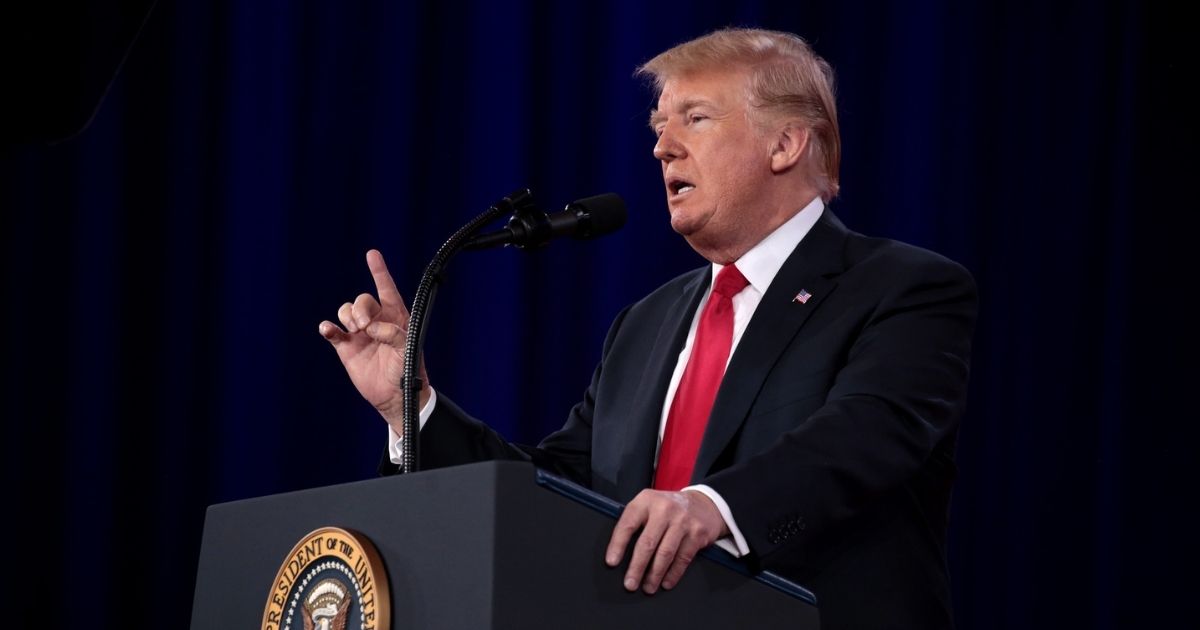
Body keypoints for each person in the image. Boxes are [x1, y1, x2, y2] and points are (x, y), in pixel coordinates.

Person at [319, 28, 977, 630]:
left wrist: (710, 507)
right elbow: (556, 494)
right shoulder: (645, 323)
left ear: (785, 143)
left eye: (695, 119)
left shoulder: (903, 287)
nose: (662, 146)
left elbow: (862, 437)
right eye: (660, 127)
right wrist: (411, 406)